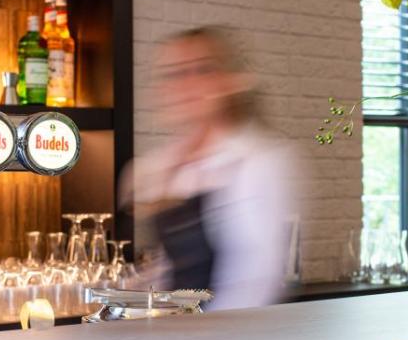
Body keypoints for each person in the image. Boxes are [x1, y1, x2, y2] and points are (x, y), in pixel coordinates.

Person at [120, 27, 299, 311]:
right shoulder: (161, 164)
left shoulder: (258, 162)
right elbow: (171, 268)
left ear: (229, 82)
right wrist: (133, 303)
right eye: (173, 74)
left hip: (231, 332)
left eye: (202, 70)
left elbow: (256, 281)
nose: (185, 84)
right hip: (179, 328)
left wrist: (199, 330)